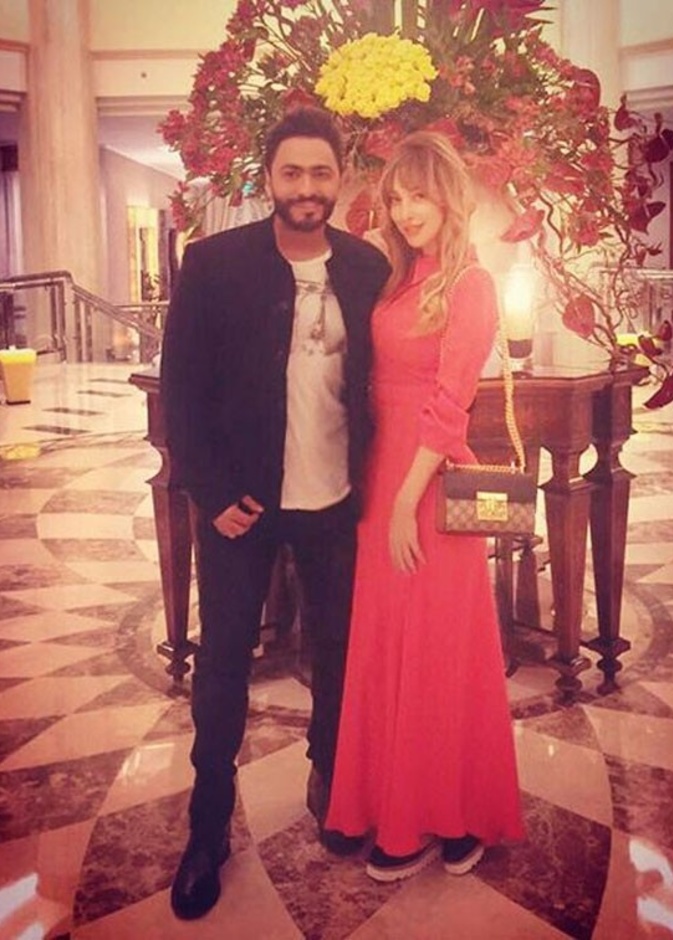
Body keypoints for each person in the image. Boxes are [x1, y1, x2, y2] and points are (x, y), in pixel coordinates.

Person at [160, 106, 390, 920]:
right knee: (224, 660)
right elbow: (180, 392)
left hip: (334, 501)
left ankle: (329, 779)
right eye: (291, 172)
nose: (306, 187)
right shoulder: (213, 263)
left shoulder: (366, 266)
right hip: (243, 507)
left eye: (320, 172)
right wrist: (211, 493)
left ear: (341, 178)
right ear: (268, 180)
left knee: (338, 650)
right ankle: (206, 827)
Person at [325, 130, 525, 883]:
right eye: (397, 197)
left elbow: (450, 404)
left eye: (419, 196)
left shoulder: (470, 285)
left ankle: (451, 815)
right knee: (386, 643)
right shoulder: (398, 277)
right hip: (383, 474)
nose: (407, 211)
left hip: (426, 483)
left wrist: (406, 500)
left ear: (449, 199)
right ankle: (394, 805)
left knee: (438, 649)